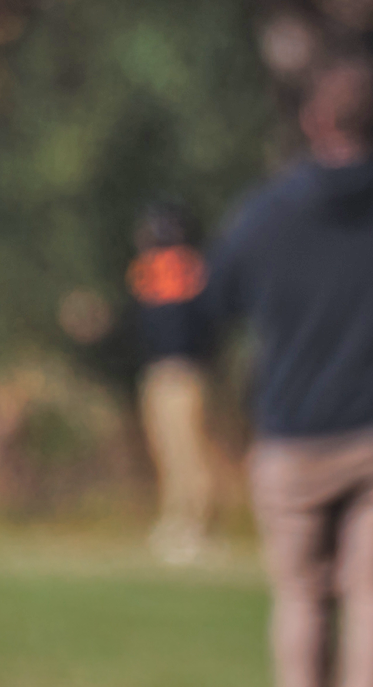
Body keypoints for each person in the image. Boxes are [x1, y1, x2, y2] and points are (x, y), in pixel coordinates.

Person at [197, 56, 373, 687]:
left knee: (301, 595)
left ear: (315, 120)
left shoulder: (264, 211)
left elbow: (214, 302)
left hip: (291, 432)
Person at [126, 201, 217, 565]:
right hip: (157, 372)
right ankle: (175, 521)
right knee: (166, 451)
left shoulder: (188, 269)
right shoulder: (147, 271)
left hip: (183, 371)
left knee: (188, 451)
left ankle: (197, 526)